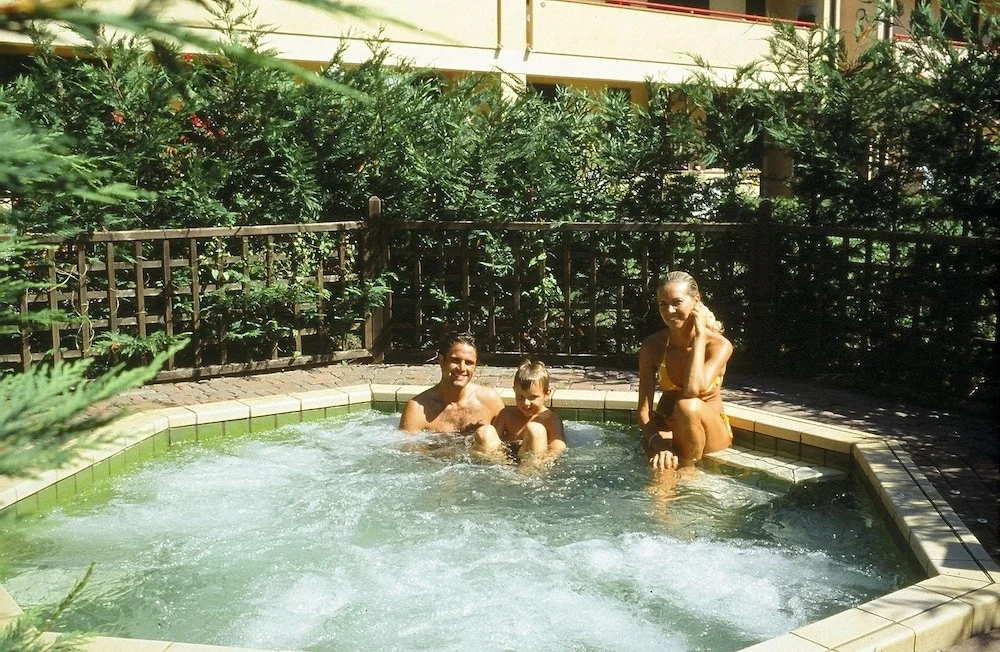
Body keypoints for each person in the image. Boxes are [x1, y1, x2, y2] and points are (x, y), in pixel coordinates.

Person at [637, 271, 733, 471]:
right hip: (667, 428)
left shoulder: (718, 345)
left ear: (696, 300)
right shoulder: (652, 346)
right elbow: (644, 411)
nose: (669, 311)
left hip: (708, 432)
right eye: (663, 304)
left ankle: (688, 469)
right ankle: (672, 488)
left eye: (677, 302)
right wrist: (660, 445)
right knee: (661, 471)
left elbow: (691, 391)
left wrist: (699, 336)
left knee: (687, 406)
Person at [398, 332, 505, 434]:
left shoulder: (490, 400)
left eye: (469, 363)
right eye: (455, 360)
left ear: (475, 366)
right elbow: (407, 446)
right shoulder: (417, 409)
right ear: (441, 361)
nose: (462, 368)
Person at [472, 359, 566, 464]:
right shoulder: (506, 415)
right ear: (514, 391)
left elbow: (558, 447)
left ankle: (530, 469)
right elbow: (493, 440)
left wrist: (547, 459)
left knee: (535, 430)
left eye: (533, 397)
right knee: (485, 431)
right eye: (520, 397)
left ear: (547, 394)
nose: (526, 403)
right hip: (503, 461)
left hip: (533, 463)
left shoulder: (550, 419)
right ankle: (499, 469)